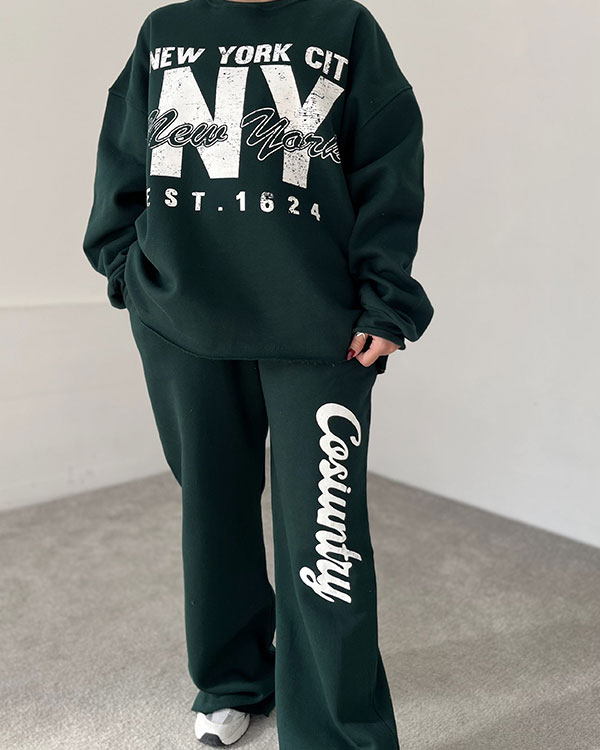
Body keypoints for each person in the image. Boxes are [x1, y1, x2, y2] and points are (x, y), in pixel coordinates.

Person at [82, 0, 434, 746]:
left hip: (322, 327)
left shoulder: (344, 27)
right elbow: (123, 160)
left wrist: (386, 301)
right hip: (183, 321)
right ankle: (235, 678)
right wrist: (127, 274)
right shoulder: (166, 31)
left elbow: (389, 164)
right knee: (213, 513)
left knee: (325, 540)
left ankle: (337, 736)